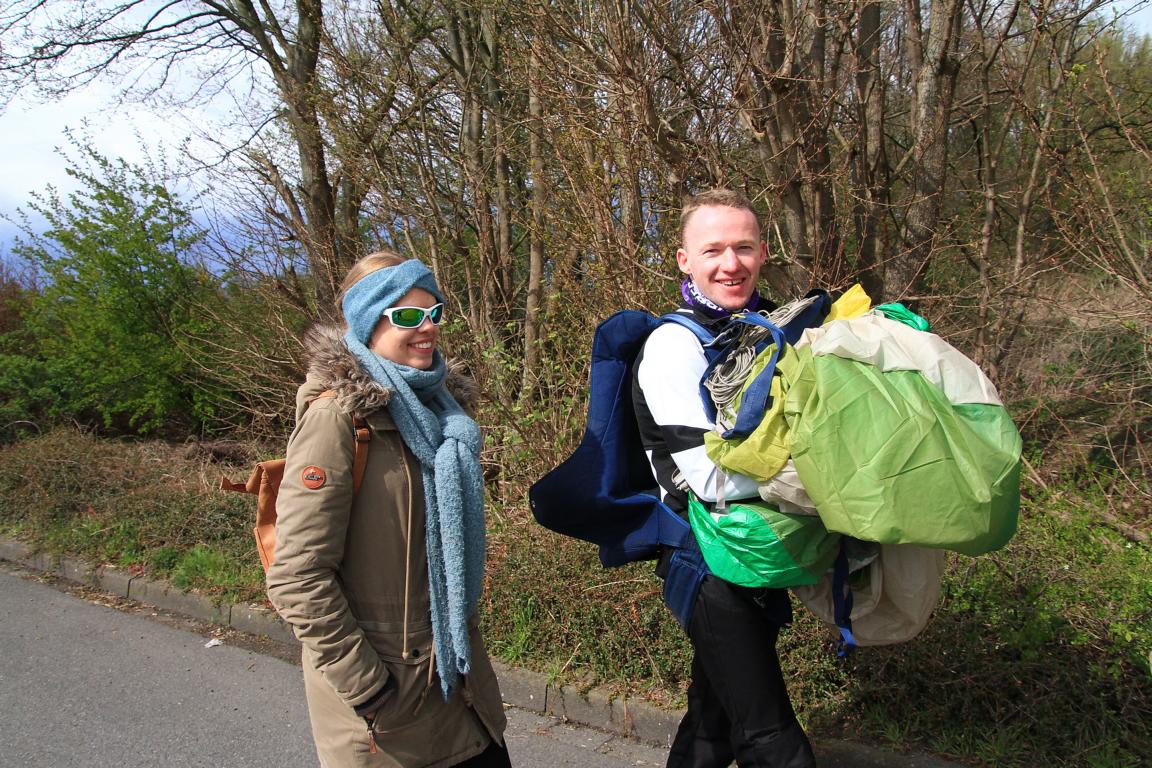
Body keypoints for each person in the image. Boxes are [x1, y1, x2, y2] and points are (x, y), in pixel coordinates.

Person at [267, 252, 510, 768]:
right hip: (391, 709)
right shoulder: (338, 419)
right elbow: (297, 576)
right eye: (407, 315)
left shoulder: (441, 412)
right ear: (367, 322)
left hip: (460, 690)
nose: (428, 326)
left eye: (434, 312)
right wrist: (368, 688)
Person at [632, 189, 816, 768]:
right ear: (684, 260)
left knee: (711, 726)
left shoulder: (770, 331)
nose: (730, 264)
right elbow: (709, 479)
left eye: (744, 247)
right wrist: (822, 482)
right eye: (713, 250)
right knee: (771, 738)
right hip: (706, 560)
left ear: (763, 252)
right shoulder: (674, 346)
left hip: (754, 550)